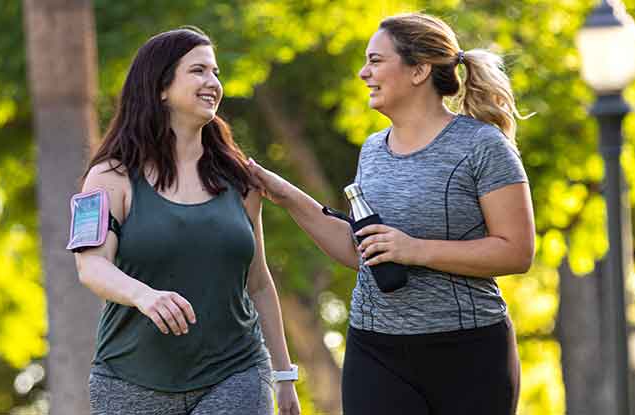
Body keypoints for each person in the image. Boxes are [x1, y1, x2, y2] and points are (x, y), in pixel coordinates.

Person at [248, 13, 535, 415]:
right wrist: (287, 195)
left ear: (419, 70)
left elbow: (517, 252)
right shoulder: (373, 150)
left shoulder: (482, 146)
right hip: (374, 349)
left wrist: (414, 249)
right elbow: (362, 253)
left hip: (467, 352)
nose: (364, 73)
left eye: (376, 61)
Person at [72, 27, 300, 415]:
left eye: (215, 73)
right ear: (161, 87)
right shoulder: (108, 177)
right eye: (198, 71)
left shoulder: (240, 179)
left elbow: (258, 281)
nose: (213, 83)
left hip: (236, 373)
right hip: (129, 381)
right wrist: (145, 295)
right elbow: (90, 265)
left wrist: (283, 376)